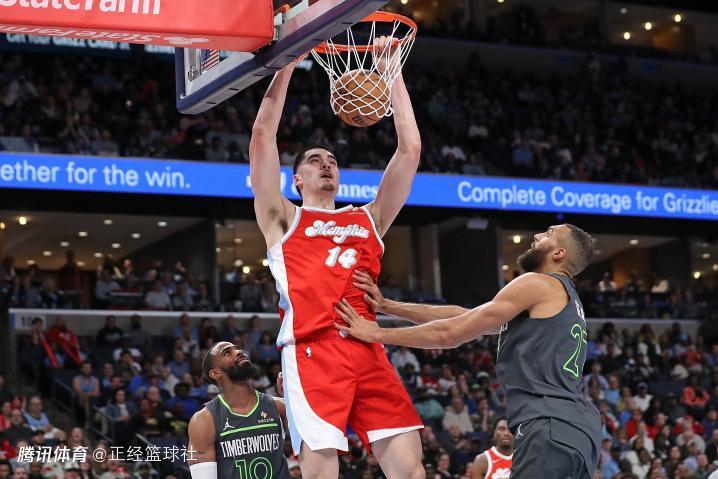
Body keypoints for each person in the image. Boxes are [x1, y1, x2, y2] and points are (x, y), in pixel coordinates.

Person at [249, 39, 423, 478]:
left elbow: (409, 151)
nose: (326, 164)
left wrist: (391, 71)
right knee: (321, 472)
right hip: (314, 351)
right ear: (297, 179)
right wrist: (287, 62)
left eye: (332, 160)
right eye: (314, 160)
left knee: (411, 470)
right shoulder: (283, 217)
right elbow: (262, 135)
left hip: (369, 346)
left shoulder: (368, 218)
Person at [336, 224, 601, 479]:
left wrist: (377, 333)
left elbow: (450, 333)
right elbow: (465, 316)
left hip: (549, 422)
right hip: (581, 432)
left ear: (559, 253)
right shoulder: (565, 301)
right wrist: (389, 306)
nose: (537, 235)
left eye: (549, 233)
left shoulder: (539, 283)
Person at [187, 342, 290, 479]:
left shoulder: (280, 406)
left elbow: (314, 442)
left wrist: (293, 401)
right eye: (227, 352)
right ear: (215, 373)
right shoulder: (203, 420)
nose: (239, 352)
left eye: (238, 348)